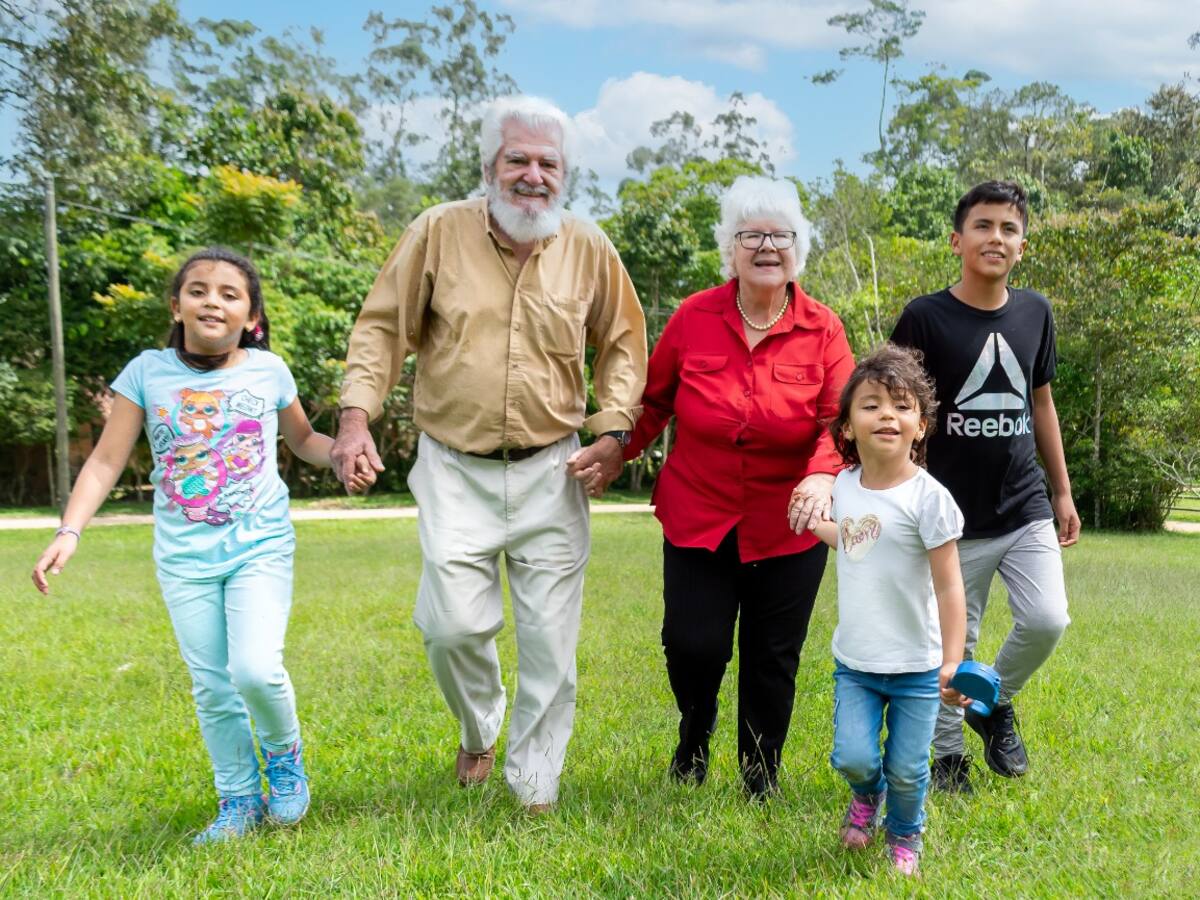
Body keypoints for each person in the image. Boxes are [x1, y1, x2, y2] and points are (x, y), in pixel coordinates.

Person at [331, 96, 647, 813]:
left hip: (553, 467)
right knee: (450, 628)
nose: (532, 175)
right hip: (455, 469)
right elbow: (382, 330)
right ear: (488, 168)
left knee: (548, 643)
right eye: (518, 160)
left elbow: (625, 344)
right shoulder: (437, 233)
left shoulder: (589, 246)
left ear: (565, 174)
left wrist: (612, 430)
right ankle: (479, 725)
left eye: (548, 163)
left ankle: (535, 784)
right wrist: (356, 420)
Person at [31, 247, 371, 844]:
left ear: (251, 317)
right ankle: (237, 799)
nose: (213, 300)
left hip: (259, 544)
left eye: (229, 293)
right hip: (184, 558)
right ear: (177, 304)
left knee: (255, 670)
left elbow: (304, 439)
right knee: (213, 685)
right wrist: (69, 530)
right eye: (199, 290)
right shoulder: (145, 371)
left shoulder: (269, 371)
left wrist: (342, 459)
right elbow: (107, 460)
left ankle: (284, 759)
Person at [617, 175, 854, 798]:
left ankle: (759, 774)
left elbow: (840, 420)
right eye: (752, 235)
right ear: (731, 248)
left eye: (781, 235)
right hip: (699, 510)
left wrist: (821, 474)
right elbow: (653, 402)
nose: (767, 246)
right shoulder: (695, 317)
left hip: (790, 522)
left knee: (773, 657)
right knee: (691, 645)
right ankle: (694, 731)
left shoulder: (823, 328)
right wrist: (615, 453)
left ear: (798, 249)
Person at [890, 180, 1078, 793]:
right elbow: (898, 408)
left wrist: (1062, 491)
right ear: (956, 239)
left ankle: (991, 703)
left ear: (1023, 246)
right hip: (951, 513)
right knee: (955, 641)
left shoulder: (1035, 313)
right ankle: (947, 761)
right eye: (983, 225)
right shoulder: (925, 316)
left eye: (1009, 228)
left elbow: (1041, 402)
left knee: (1048, 618)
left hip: (1024, 504)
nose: (996, 237)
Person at [803, 343, 970, 876]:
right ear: (847, 426)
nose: (887, 416)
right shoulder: (845, 486)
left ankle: (905, 831)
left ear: (921, 426)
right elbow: (857, 540)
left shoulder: (930, 499)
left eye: (901, 406)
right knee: (853, 756)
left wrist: (952, 662)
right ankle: (865, 797)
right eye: (871, 404)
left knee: (907, 767)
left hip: (918, 667)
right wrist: (814, 524)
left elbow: (949, 588)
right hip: (855, 663)